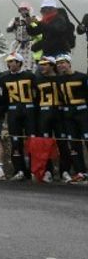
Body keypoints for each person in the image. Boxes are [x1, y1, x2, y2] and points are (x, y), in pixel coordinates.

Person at [0, 52, 35, 181]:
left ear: (19, 62)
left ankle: (34, 169)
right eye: (8, 62)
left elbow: (37, 94)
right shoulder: (4, 79)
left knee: (32, 140)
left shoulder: (30, 76)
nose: (9, 64)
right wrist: (0, 112)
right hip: (13, 111)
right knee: (15, 141)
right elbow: (4, 99)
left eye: (12, 61)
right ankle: (19, 170)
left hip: (29, 110)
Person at [55, 54, 88, 182]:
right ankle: (81, 171)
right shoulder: (58, 80)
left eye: (63, 62)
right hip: (68, 114)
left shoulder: (82, 77)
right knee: (74, 143)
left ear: (69, 63)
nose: (60, 65)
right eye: (58, 63)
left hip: (82, 112)